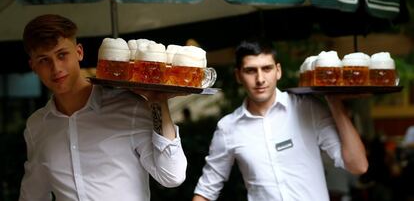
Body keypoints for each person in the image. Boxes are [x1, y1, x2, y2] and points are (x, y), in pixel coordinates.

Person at [19, 14, 187, 201]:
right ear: (32, 66)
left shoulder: (129, 107)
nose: (56, 68)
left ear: (79, 52)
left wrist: (159, 102)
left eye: (62, 54)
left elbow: (172, 176)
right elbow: (33, 194)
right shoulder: (36, 126)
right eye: (44, 60)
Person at [192, 38, 368, 201]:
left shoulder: (308, 108)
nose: (260, 79)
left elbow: (358, 166)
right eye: (250, 71)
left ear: (278, 71)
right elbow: (207, 190)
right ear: (238, 76)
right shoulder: (228, 128)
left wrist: (334, 102)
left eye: (266, 69)